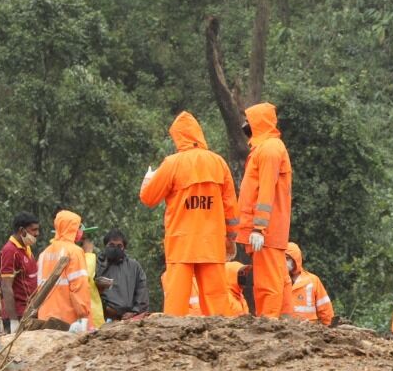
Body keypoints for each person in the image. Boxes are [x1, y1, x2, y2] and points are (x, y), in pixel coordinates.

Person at [140, 111, 238, 316]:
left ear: (178, 136)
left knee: (176, 305)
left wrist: (148, 179)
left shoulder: (172, 163)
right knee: (217, 304)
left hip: (181, 244)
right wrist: (231, 237)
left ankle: (171, 344)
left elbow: (149, 198)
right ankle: (221, 342)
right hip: (212, 244)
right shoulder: (218, 162)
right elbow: (230, 207)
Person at [235, 102, 292, 318]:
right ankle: (286, 323)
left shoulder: (269, 149)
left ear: (258, 122)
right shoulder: (266, 148)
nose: (244, 125)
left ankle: (270, 324)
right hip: (268, 231)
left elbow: (266, 191)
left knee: (268, 285)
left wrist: (259, 228)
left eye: (248, 121)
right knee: (275, 280)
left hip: (266, 232)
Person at [36, 210, 92, 331]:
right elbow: (79, 288)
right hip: (67, 321)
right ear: (71, 228)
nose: (80, 231)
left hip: (44, 319)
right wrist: (84, 316)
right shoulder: (74, 252)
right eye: (77, 227)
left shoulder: (43, 254)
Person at [0, 212, 40, 333]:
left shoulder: (26, 248)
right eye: (34, 230)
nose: (37, 234)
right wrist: (13, 321)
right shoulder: (10, 251)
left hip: (28, 312)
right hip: (18, 315)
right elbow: (6, 286)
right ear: (22, 230)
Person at [96, 229, 149, 320]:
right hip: (101, 316)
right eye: (111, 245)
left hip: (127, 318)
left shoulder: (134, 266)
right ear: (105, 245)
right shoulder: (97, 264)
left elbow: (142, 291)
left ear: (124, 247)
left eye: (119, 246)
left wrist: (134, 312)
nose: (115, 248)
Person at [286, 242, 333, 325]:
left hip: (309, 330)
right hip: (283, 330)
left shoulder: (313, 280)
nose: (284, 262)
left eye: (287, 258)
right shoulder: (277, 281)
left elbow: (325, 308)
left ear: (295, 259)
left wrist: (329, 326)